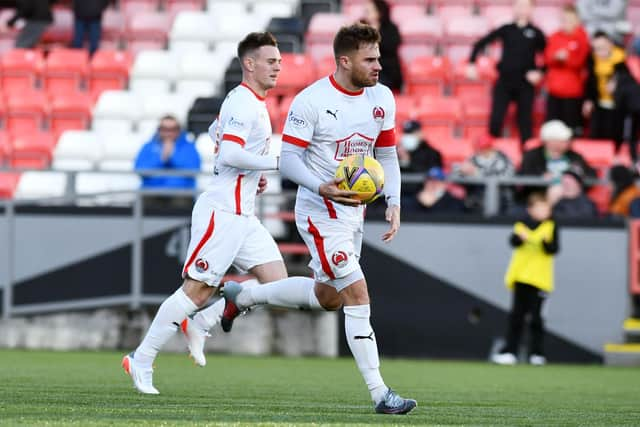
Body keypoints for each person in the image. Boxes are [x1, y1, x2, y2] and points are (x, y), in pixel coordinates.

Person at [220, 24, 417, 415]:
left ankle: (245, 295)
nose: (379, 65)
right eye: (370, 59)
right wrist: (322, 186)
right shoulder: (312, 101)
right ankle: (381, 394)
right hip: (319, 212)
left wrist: (393, 198)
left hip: (353, 212)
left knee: (328, 298)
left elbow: (389, 154)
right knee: (357, 293)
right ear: (344, 61)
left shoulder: (382, 98)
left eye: (378, 57)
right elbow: (290, 160)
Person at [122, 32, 295, 394]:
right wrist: (275, 163)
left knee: (278, 286)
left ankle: (204, 321)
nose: (278, 66)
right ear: (250, 64)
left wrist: (255, 175)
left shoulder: (250, 103)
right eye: (271, 60)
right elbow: (230, 154)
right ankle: (141, 358)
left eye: (279, 61)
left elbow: (221, 135)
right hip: (222, 211)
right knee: (196, 290)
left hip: (243, 214)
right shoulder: (244, 103)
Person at [492, 191, 559, 366]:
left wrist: (545, 243)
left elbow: (553, 249)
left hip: (540, 280)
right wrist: (519, 239)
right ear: (531, 210)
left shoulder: (551, 227)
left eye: (546, 208)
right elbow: (513, 242)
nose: (545, 212)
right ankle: (510, 352)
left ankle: (536, 353)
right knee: (516, 317)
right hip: (521, 277)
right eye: (540, 208)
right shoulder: (521, 226)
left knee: (536, 319)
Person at [466, 0, 546, 144]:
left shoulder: (536, 33)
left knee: (525, 123)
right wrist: (471, 64)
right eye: (520, 5)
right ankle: (489, 155)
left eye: (526, 6)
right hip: (504, 81)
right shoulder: (506, 29)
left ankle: (527, 159)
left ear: (532, 9)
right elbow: (480, 43)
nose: (523, 9)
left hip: (525, 83)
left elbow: (549, 56)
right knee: (496, 119)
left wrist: (540, 72)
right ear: (514, 8)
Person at [134, 115, 201, 208]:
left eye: (173, 129)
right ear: (158, 130)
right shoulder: (148, 146)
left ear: (179, 130)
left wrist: (173, 156)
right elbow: (139, 168)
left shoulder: (189, 147)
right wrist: (161, 159)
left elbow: (194, 168)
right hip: (151, 193)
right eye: (164, 129)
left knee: (181, 203)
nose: (168, 133)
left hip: (181, 194)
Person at [543, 5, 590, 136]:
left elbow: (581, 61)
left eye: (570, 20)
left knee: (571, 129)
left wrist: (566, 59)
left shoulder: (582, 38)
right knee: (551, 127)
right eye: (564, 20)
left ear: (577, 21)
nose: (566, 23)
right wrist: (556, 57)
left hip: (573, 92)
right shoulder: (554, 36)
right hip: (554, 90)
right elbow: (547, 59)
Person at [583, 31, 626, 145]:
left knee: (613, 135)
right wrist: (588, 100)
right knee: (596, 135)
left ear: (610, 44)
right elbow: (590, 82)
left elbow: (630, 83)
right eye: (596, 48)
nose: (599, 52)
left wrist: (617, 84)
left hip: (617, 105)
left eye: (602, 47)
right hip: (599, 102)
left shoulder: (622, 59)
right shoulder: (592, 60)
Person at [519, 120, 596, 182]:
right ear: (549, 141)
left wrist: (575, 178)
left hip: (570, 195)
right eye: (563, 140)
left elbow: (591, 175)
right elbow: (523, 177)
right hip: (539, 195)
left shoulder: (575, 156)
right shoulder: (532, 156)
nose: (569, 142)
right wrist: (541, 178)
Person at [455, 133, 514, 212]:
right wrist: (462, 172)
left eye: (487, 147)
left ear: (491, 146)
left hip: (500, 197)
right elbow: (458, 174)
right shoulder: (473, 158)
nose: (484, 150)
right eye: (481, 147)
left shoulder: (504, 159)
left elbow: (506, 177)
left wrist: (477, 173)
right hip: (475, 198)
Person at [360, 0, 403, 92]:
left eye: (369, 11)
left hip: (386, 71)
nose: (366, 14)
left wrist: (375, 33)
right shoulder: (361, 27)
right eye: (366, 11)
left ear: (379, 12)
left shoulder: (391, 28)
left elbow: (390, 48)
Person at [397, 119, 442, 194]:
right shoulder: (395, 152)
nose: (408, 137)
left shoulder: (431, 154)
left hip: (420, 195)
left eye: (412, 133)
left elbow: (433, 174)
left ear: (421, 133)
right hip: (398, 194)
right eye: (406, 133)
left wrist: (408, 162)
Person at [611, 62, 640, 162]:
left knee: (628, 135)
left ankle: (629, 157)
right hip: (636, 111)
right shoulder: (632, 80)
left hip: (629, 113)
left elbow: (619, 100)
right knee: (633, 136)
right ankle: (634, 157)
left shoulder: (620, 80)